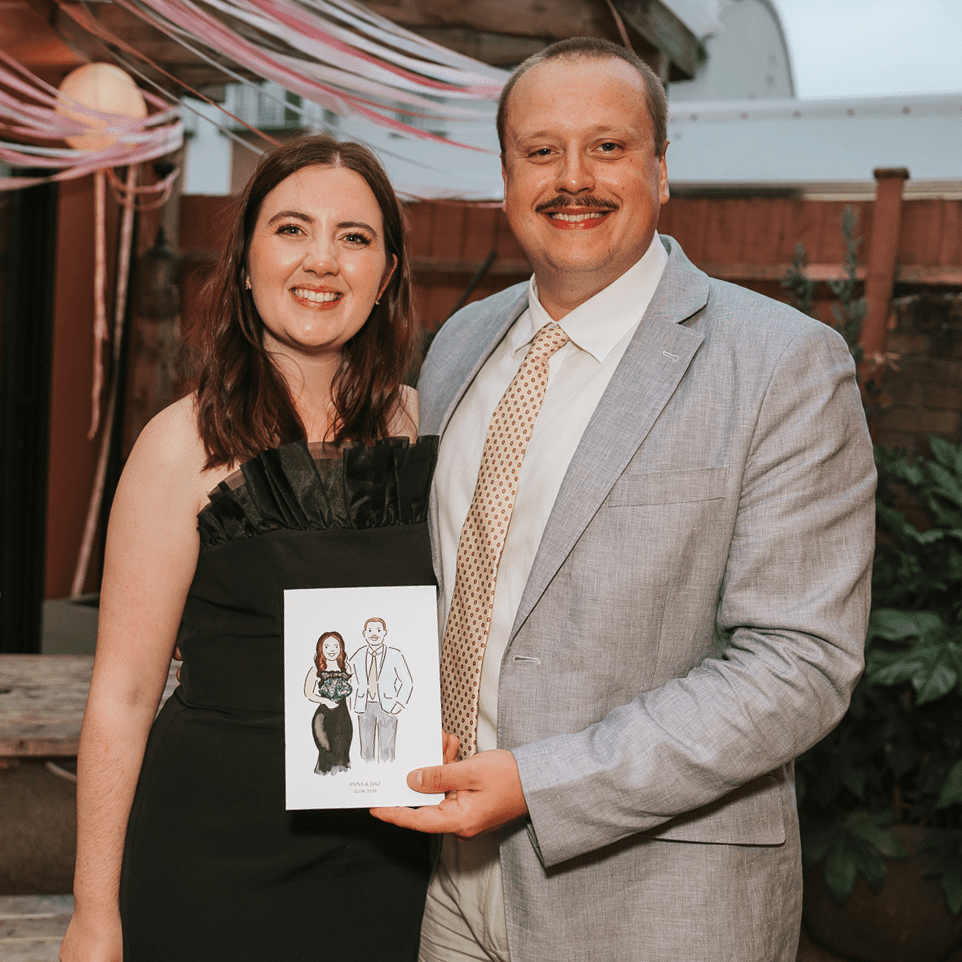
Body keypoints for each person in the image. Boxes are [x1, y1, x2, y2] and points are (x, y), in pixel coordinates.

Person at [372, 38, 877, 962]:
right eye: (541, 150)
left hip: (657, 904)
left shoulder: (781, 364)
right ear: (505, 175)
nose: (574, 179)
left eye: (607, 146)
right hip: (448, 893)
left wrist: (539, 780)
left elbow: (798, 663)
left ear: (662, 169)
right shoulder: (458, 346)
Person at [60, 135, 440, 962]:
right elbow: (123, 695)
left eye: (354, 237)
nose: (322, 261)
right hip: (211, 854)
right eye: (291, 229)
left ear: (387, 275)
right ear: (244, 262)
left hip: (392, 861)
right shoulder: (177, 446)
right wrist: (94, 914)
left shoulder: (435, 432)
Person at [349, 616, 414, 762]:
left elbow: (407, 682)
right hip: (364, 706)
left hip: (388, 706)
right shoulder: (359, 654)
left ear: (384, 633)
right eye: (370, 630)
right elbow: (347, 673)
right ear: (364, 633)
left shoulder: (394, 654)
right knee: (366, 751)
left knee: (387, 750)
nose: (374, 634)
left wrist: (399, 704)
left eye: (378, 630)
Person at [304, 631, 354, 775]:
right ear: (321, 649)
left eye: (335, 646)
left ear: (341, 648)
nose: (331, 650)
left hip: (343, 718)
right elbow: (308, 693)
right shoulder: (316, 670)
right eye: (327, 646)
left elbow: (350, 692)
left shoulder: (347, 667)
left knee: (342, 753)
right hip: (323, 718)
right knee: (326, 753)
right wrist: (325, 700)